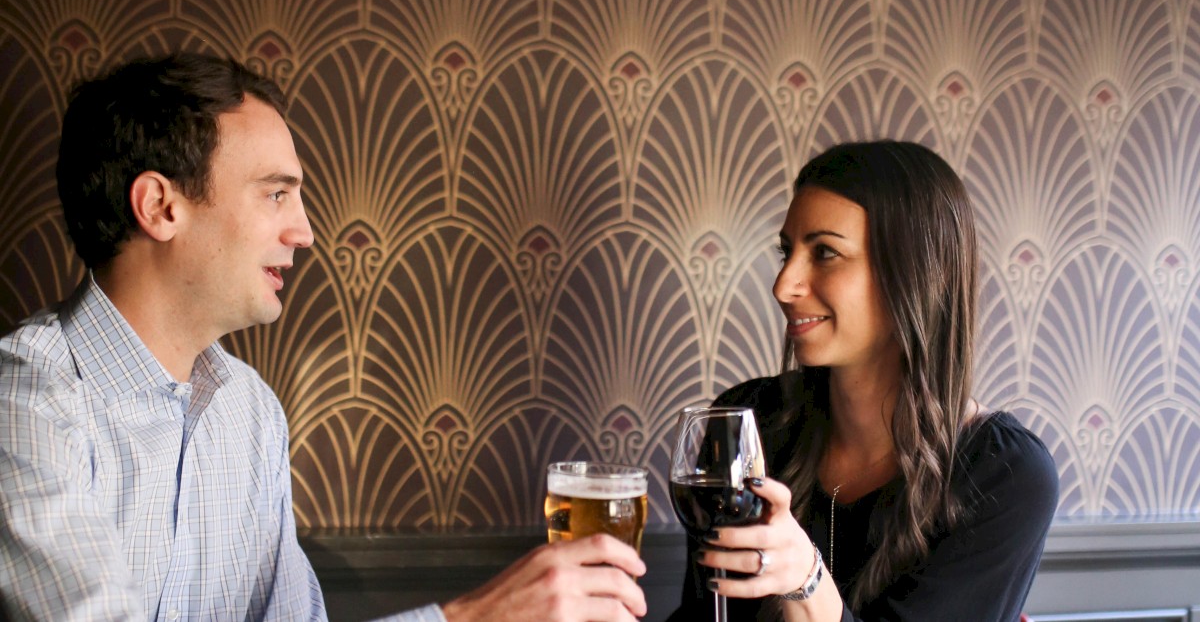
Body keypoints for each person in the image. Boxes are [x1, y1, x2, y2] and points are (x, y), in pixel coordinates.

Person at [0, 53, 646, 622]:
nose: (305, 232)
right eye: (276, 194)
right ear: (162, 207)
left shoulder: (249, 411)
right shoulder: (25, 406)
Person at [667, 141, 1059, 621]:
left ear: (915, 276)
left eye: (825, 252)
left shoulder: (1004, 475)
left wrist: (806, 581)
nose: (784, 284)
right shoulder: (748, 423)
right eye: (788, 252)